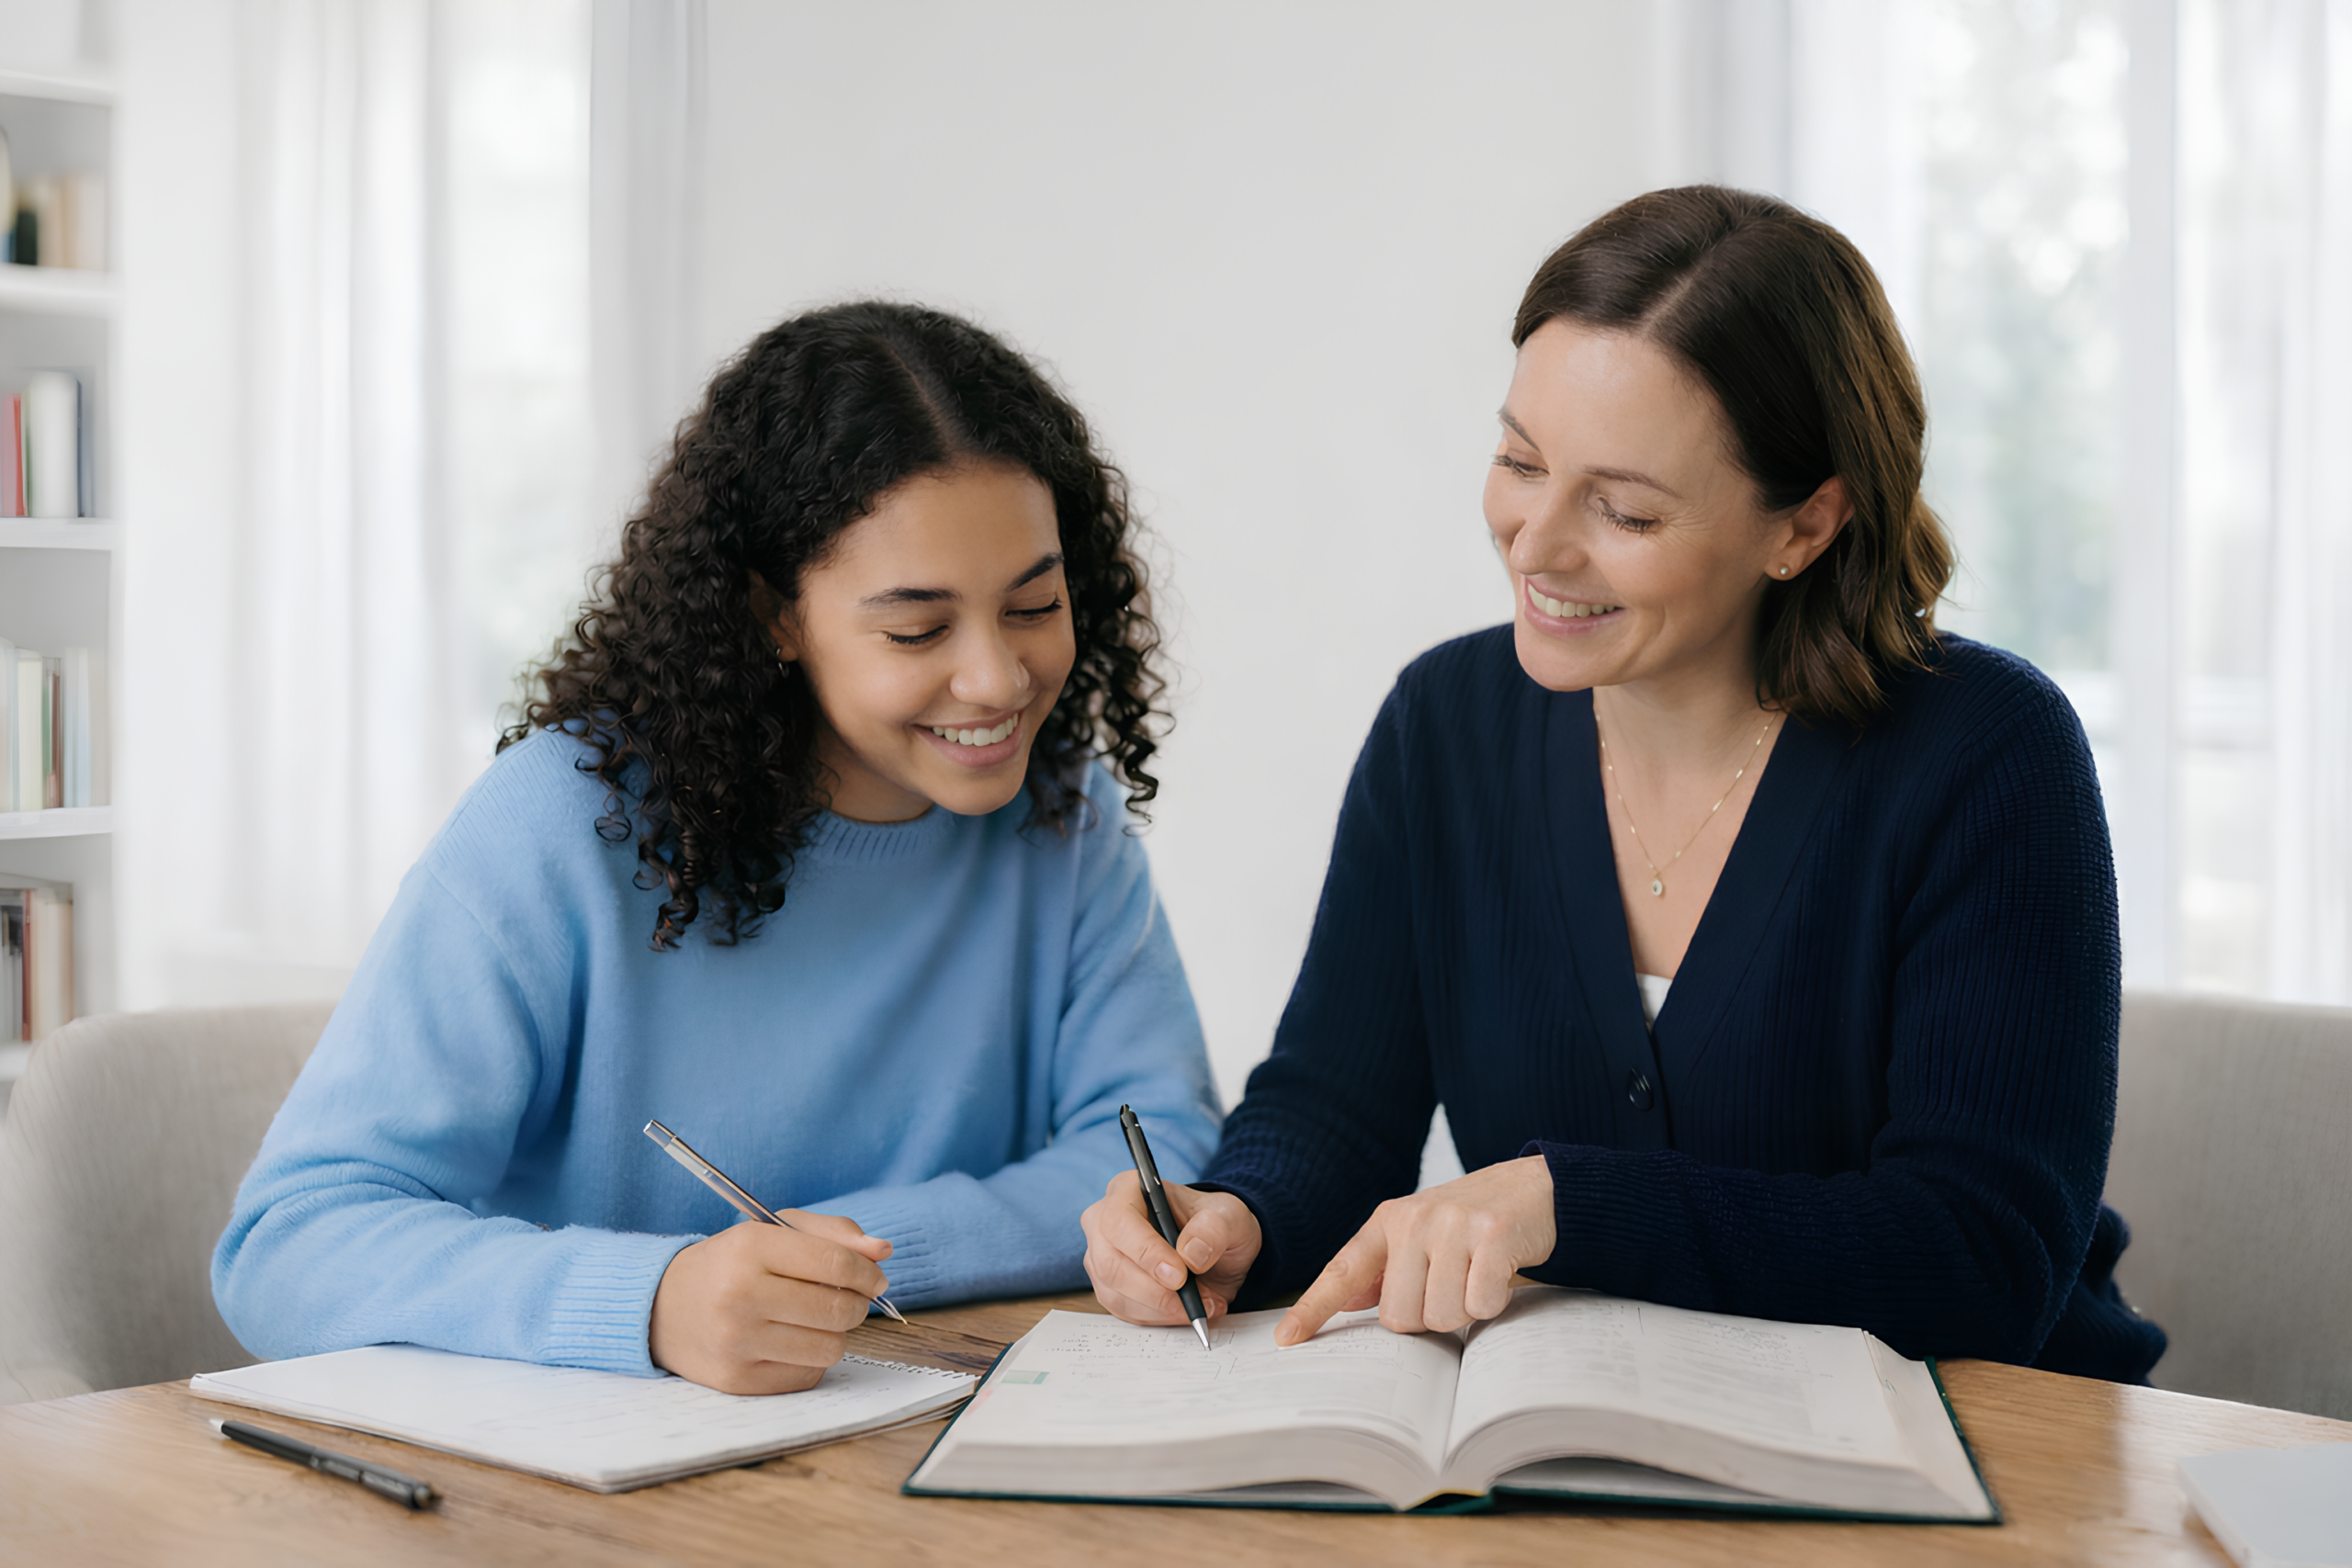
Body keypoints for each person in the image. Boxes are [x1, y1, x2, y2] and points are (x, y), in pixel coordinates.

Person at [1080, 186, 2166, 1384]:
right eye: (1519, 460)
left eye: (1625, 510)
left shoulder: (1987, 753)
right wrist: (1240, 1214)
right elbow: (1333, 1107)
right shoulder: (1444, 726)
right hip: (1604, 1420)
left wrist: (1569, 1203)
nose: (1535, 542)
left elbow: (1981, 1256)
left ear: (1803, 526)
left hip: (1989, 1437)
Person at [216, 301, 1221, 1394]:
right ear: (774, 614)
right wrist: (653, 1301)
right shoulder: (562, 822)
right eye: (917, 629)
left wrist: (856, 1258)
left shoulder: (1064, 812)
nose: (996, 679)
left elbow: (1155, 1148)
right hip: (589, 1459)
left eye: (1034, 604)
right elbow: (291, 1243)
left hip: (906, 1426)